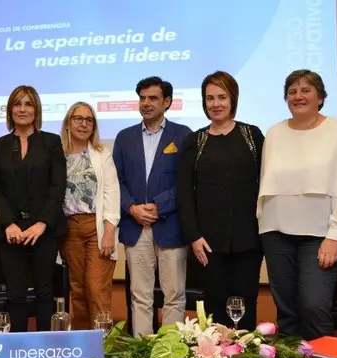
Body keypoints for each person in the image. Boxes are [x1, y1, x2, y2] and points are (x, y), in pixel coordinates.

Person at [258, 70, 337, 341]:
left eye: (305, 90)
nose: (298, 96)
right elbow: (266, 185)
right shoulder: (274, 133)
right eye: (292, 91)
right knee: (287, 310)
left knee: (314, 306)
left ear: (321, 97)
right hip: (275, 232)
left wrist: (336, 235)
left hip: (320, 235)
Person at [176, 71, 264, 331]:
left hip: (249, 240)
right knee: (214, 304)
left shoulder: (252, 136)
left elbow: (267, 184)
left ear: (232, 99)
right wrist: (194, 236)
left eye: (222, 97)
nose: (216, 104)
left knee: (246, 302)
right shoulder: (196, 140)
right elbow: (184, 192)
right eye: (210, 98)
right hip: (208, 243)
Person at [112, 76, 192, 336]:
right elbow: (116, 181)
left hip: (170, 226)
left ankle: (170, 353)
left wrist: (159, 206)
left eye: (153, 98)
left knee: (174, 296)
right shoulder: (124, 138)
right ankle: (143, 356)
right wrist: (132, 208)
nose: (146, 103)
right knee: (140, 297)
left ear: (167, 102)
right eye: (142, 98)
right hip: (136, 226)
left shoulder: (183, 135)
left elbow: (188, 181)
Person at [0, 85, 66, 333]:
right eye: (18, 104)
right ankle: (18, 353)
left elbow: (58, 186)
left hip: (44, 230)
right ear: (10, 110)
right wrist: (9, 223)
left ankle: (43, 353)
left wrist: (42, 223)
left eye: (28, 104)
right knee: (15, 294)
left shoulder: (51, 142)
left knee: (44, 292)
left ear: (36, 109)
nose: (23, 109)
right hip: (11, 231)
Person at [58, 102, 120, 330]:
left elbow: (112, 193)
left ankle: (105, 349)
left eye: (89, 119)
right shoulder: (58, 154)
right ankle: (84, 347)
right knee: (78, 290)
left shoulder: (102, 155)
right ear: (68, 122)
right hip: (69, 230)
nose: (83, 123)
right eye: (78, 118)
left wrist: (109, 232)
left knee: (96, 289)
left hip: (97, 229)